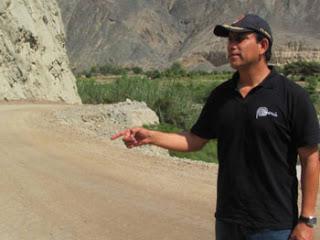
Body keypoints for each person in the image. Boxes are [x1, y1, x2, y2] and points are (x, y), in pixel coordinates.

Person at [111, 14, 320, 240]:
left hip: (274, 226)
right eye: (230, 39)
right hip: (228, 221)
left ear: (263, 45)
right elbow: (194, 139)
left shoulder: (291, 96)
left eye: (240, 38)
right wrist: (150, 136)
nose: (232, 45)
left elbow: (311, 158)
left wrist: (306, 220)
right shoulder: (221, 96)